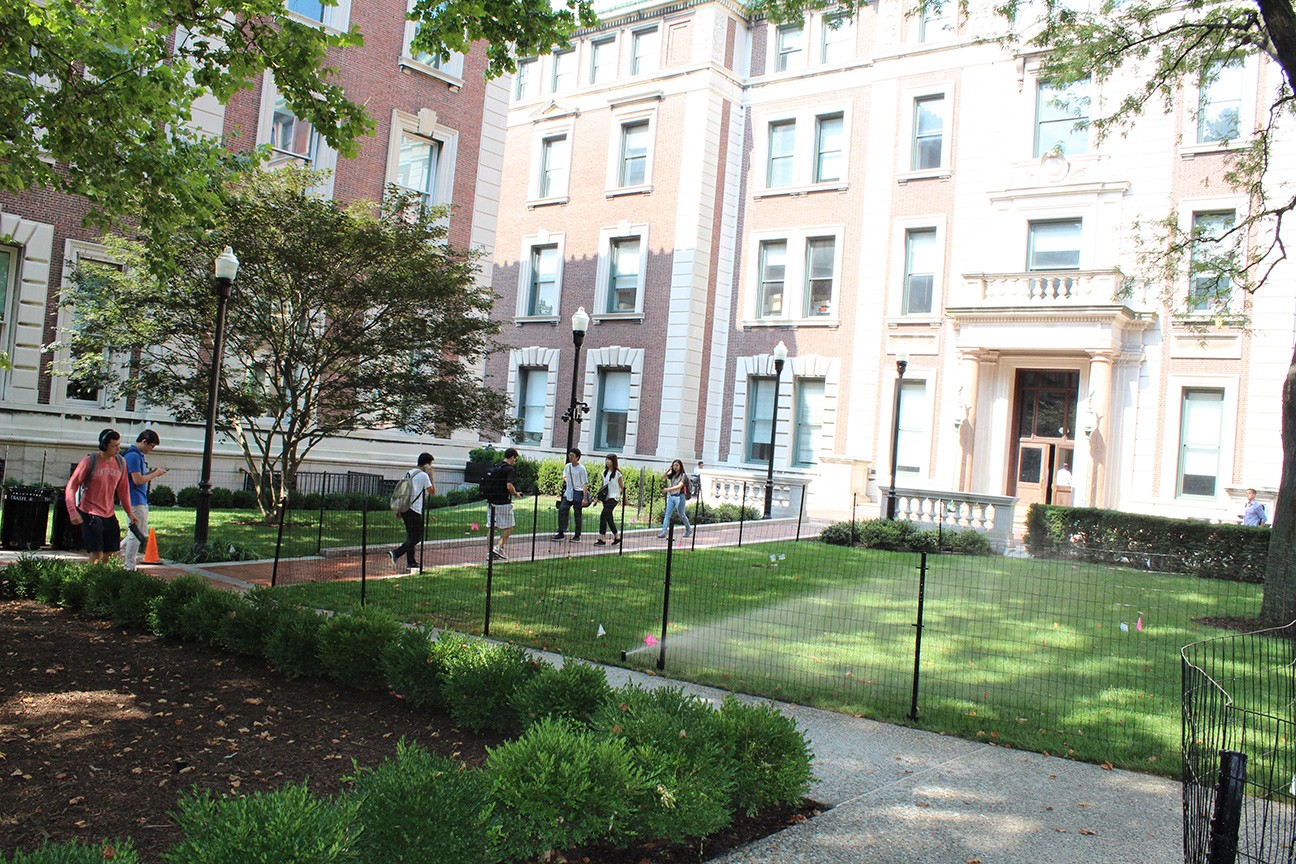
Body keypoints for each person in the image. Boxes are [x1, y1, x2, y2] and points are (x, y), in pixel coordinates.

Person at [64, 428, 139, 565]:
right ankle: (89, 581)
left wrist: (130, 512)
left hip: (109, 514)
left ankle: (102, 579)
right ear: (104, 446)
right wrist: (72, 511)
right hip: (90, 512)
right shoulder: (89, 461)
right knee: (97, 552)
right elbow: (71, 486)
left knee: (110, 553)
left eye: (119, 445)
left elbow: (123, 490)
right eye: (114, 446)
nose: (118, 449)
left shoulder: (121, 463)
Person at [121, 430, 167, 570]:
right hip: (135, 500)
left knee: (137, 532)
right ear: (144, 441)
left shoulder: (137, 455)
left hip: (138, 499)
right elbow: (137, 480)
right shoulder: (133, 456)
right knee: (136, 533)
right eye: (151, 446)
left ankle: (113, 551)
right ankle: (129, 566)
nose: (151, 449)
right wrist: (155, 474)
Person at [388, 453, 437, 573]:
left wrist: (400, 509)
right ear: (426, 464)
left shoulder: (410, 472)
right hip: (414, 510)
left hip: (405, 508)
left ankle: (411, 562)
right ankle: (396, 553)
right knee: (417, 537)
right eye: (431, 464)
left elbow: (404, 491)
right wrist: (431, 476)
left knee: (410, 536)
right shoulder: (424, 476)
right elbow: (433, 492)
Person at [489, 448, 523, 560]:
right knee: (509, 526)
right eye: (515, 459)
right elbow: (509, 485)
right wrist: (515, 494)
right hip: (503, 502)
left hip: (491, 500)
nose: (515, 461)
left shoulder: (495, 467)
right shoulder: (509, 469)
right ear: (513, 457)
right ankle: (498, 547)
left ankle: (490, 551)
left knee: (492, 526)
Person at [552, 447, 589, 543]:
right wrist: (569, 483)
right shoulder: (567, 466)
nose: (570, 457)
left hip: (578, 493)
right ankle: (561, 532)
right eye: (569, 455)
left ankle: (577, 535)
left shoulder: (581, 469)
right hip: (568, 493)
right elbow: (564, 476)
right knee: (562, 510)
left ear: (577, 457)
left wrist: (584, 498)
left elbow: (584, 484)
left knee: (577, 515)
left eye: (572, 455)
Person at [594, 453, 623, 546]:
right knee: (609, 518)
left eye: (609, 460)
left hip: (614, 498)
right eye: (606, 460)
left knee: (603, 516)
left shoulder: (618, 474)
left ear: (613, 461)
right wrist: (597, 498)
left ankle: (602, 539)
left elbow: (622, 487)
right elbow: (602, 486)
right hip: (606, 498)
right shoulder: (604, 472)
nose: (607, 462)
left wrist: (625, 499)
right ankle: (617, 537)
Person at [659, 459, 692, 539]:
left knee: (682, 515)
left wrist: (668, 489)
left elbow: (679, 486)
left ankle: (688, 529)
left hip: (680, 497)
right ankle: (663, 532)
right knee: (667, 514)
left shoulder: (683, 476)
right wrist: (668, 470)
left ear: (680, 466)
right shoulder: (672, 475)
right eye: (674, 465)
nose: (675, 467)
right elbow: (662, 477)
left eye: (677, 465)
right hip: (671, 497)